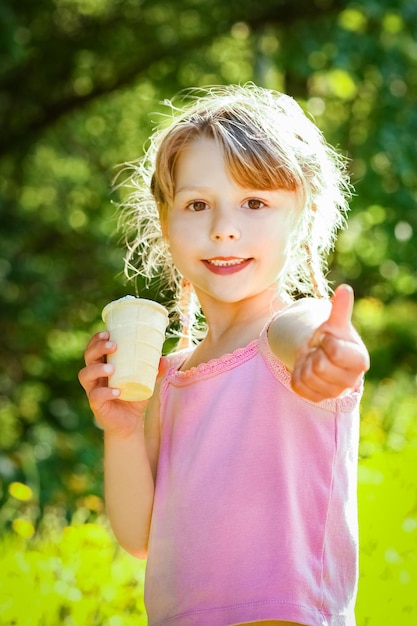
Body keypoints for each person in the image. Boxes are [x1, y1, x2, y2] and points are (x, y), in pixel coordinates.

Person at [79, 84, 370, 626]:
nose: (224, 227)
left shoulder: (287, 331)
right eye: (197, 204)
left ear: (300, 217)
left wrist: (330, 353)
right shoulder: (169, 378)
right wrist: (120, 429)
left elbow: (308, 332)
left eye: (255, 203)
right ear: (164, 224)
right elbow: (140, 535)